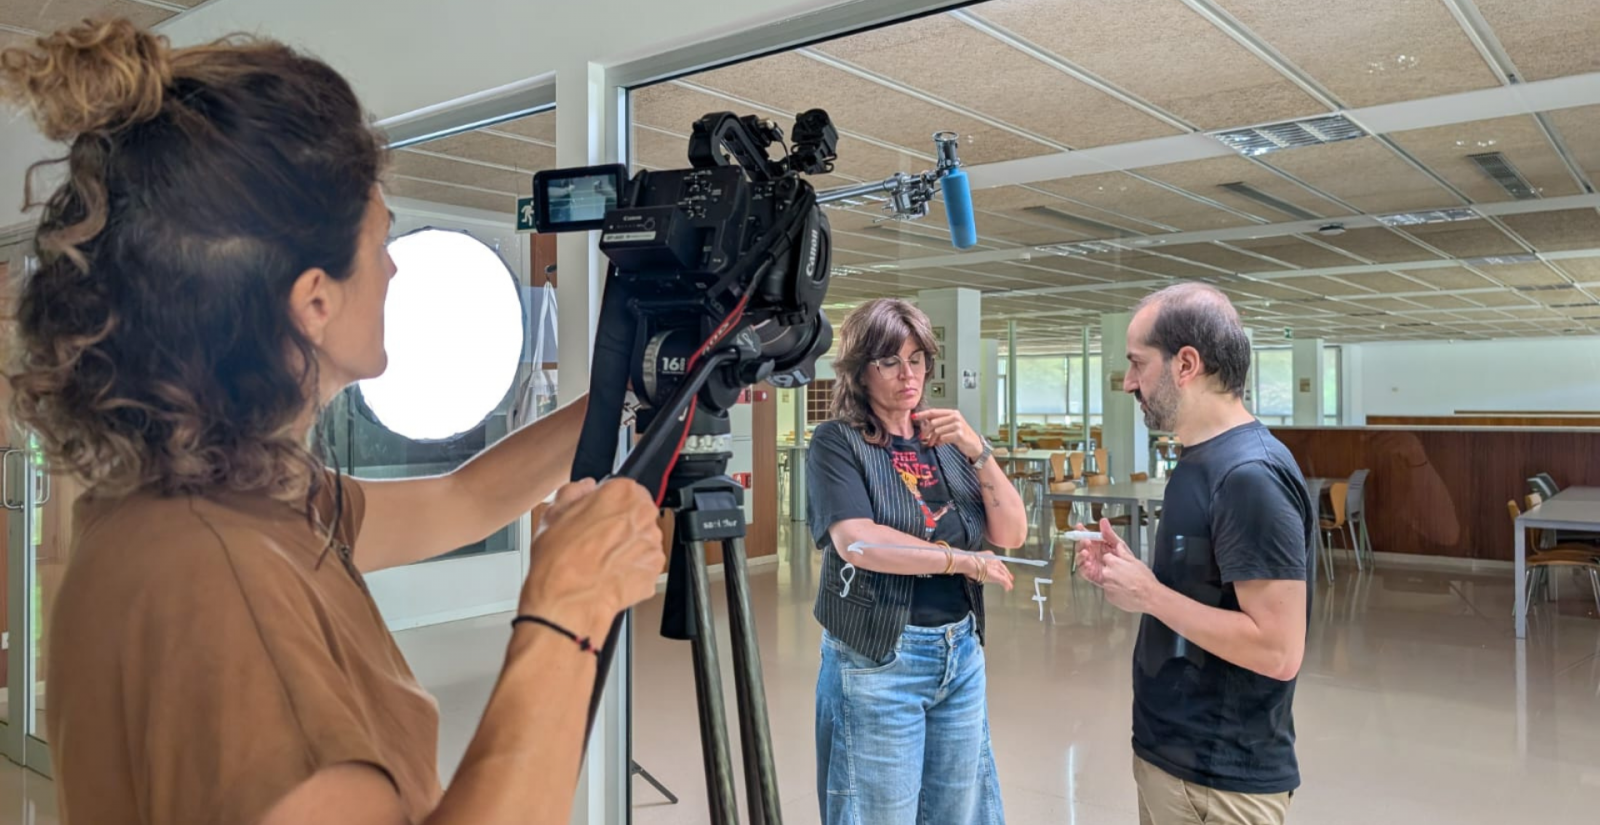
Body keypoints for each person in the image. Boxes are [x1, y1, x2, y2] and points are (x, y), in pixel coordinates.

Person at [1, 20, 664, 825]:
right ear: (314, 300)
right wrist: (567, 611)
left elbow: (464, 499)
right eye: (382, 240)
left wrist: (644, 380)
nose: (392, 268)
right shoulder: (221, 586)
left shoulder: (219, 499)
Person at [1076, 283, 1315, 825]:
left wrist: (1152, 595)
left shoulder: (1249, 475)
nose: (1129, 382)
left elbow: (1279, 649)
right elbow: (1200, 598)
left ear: (1186, 364)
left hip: (1220, 783)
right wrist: (1134, 581)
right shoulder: (1196, 461)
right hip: (1173, 761)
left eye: (1138, 364)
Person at [806, 297, 1028, 825]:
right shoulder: (839, 442)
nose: (908, 375)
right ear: (860, 371)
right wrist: (964, 562)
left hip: (961, 652)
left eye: (917, 359)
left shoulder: (947, 442)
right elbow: (860, 542)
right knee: (879, 810)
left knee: (959, 808)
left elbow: (1012, 533)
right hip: (880, 655)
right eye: (889, 362)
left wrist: (981, 452)